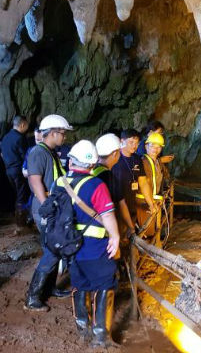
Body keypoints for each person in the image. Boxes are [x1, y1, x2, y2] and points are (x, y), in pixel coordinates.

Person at [52, 140, 120, 346]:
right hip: (94, 246)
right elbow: (107, 215)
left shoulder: (59, 182)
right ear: (92, 165)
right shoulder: (96, 184)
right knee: (105, 284)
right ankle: (101, 336)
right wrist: (115, 237)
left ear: (71, 160)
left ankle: (83, 329)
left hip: (70, 246)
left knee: (80, 285)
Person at [24, 114, 74, 311]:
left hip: (53, 207)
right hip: (45, 209)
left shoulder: (50, 152)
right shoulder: (39, 152)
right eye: (62, 133)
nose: (64, 137)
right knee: (52, 252)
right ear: (52, 133)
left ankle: (50, 288)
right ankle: (33, 297)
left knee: (55, 249)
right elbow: (34, 179)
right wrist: (47, 205)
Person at [112, 129, 156, 236]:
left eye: (137, 143)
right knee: (118, 232)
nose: (134, 146)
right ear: (122, 141)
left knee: (129, 233)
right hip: (116, 204)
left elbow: (143, 182)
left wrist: (151, 203)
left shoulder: (137, 159)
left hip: (131, 201)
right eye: (131, 142)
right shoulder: (114, 158)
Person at [93, 133, 135, 237]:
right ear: (115, 154)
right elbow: (122, 204)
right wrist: (131, 227)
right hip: (105, 230)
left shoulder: (91, 170)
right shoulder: (109, 177)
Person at [1, 115, 30, 234]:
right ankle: (21, 225)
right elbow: (25, 156)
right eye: (27, 125)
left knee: (17, 194)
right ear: (22, 125)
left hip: (8, 170)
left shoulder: (5, 138)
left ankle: (19, 221)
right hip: (18, 170)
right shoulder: (20, 138)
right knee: (22, 195)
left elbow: (2, 154)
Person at [136, 132, 166, 246]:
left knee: (152, 228)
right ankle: (145, 257)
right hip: (144, 201)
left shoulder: (157, 162)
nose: (155, 149)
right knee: (146, 230)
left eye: (158, 146)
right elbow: (144, 183)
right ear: (146, 146)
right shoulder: (143, 161)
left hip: (152, 200)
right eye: (152, 145)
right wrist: (150, 202)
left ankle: (149, 253)